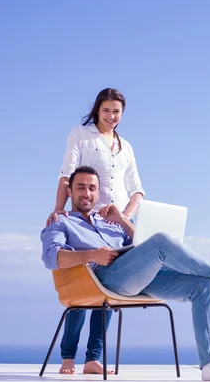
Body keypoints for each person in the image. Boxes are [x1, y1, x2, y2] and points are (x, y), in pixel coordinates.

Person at [41, 166, 210, 382]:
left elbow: (143, 245)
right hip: (104, 279)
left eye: (92, 188)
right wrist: (93, 255)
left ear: (99, 193)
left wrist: (123, 221)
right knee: (162, 240)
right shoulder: (61, 221)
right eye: (81, 187)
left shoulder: (111, 221)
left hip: (140, 277)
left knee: (203, 286)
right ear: (70, 192)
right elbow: (52, 257)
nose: (87, 193)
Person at [46, 88, 145, 375]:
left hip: (116, 226)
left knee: (110, 288)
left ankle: (94, 358)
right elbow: (67, 175)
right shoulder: (81, 134)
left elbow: (137, 189)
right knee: (81, 284)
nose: (111, 116)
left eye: (117, 112)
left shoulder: (126, 146)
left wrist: (124, 217)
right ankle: (68, 357)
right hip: (84, 220)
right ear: (97, 110)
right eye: (106, 110)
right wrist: (59, 209)